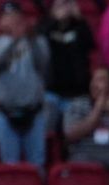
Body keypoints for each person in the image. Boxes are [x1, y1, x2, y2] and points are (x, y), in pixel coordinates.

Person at [0, 2, 51, 169]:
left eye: (16, 18)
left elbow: (42, 65)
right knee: (10, 166)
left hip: (34, 111)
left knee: (37, 165)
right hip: (4, 112)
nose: (12, 21)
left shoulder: (37, 42)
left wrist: (30, 38)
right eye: (7, 17)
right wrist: (15, 41)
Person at [39, 0, 97, 130]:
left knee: (75, 133)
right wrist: (54, 21)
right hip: (51, 92)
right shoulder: (45, 25)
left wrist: (80, 19)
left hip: (76, 93)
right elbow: (39, 42)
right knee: (46, 132)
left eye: (66, 4)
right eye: (59, 5)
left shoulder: (79, 26)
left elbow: (91, 44)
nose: (64, 9)